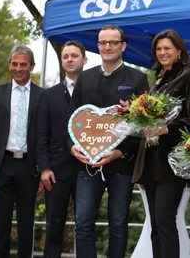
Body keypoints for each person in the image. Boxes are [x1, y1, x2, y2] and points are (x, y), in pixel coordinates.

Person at [67, 25, 149, 258]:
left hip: (121, 165)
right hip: (87, 163)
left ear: (123, 45)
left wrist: (121, 152)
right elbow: (71, 118)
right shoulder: (85, 77)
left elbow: (143, 126)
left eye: (113, 42)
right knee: (83, 224)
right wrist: (72, 147)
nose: (108, 47)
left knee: (118, 225)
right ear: (98, 46)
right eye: (103, 42)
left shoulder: (138, 78)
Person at [132, 29, 190, 258]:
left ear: (179, 51)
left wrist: (166, 128)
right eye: (159, 49)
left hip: (172, 165)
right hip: (150, 163)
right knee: (155, 225)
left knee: (165, 221)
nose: (162, 52)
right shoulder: (155, 82)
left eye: (167, 48)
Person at [0, 45, 43, 258]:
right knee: (1, 223)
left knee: (26, 223)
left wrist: (43, 169)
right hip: (2, 164)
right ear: (10, 64)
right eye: (15, 64)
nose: (18, 68)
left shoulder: (42, 96)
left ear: (32, 66)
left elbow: (44, 136)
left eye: (23, 64)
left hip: (30, 167)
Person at [37, 40, 88, 258]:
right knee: (54, 229)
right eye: (65, 56)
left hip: (88, 169)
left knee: (86, 228)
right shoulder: (48, 95)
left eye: (74, 56)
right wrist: (44, 168)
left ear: (84, 60)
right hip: (56, 171)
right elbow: (41, 135)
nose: (69, 59)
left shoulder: (94, 93)